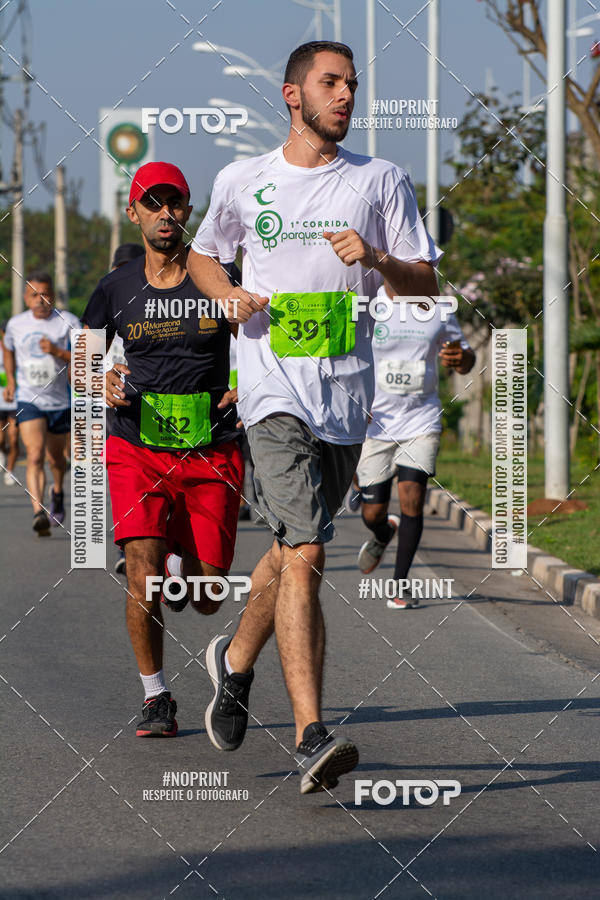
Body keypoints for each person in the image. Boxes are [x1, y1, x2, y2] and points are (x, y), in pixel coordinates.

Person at [187, 41, 441, 793]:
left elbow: (424, 283)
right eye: (331, 83)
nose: (346, 96)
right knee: (306, 551)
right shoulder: (244, 179)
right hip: (270, 389)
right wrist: (225, 295)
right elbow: (206, 255)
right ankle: (310, 733)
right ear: (292, 95)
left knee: (292, 551)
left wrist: (379, 259)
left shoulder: (380, 180)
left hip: (345, 400)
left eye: (353, 85)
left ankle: (233, 663)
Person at [82, 161, 243, 738]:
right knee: (142, 576)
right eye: (152, 204)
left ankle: (184, 567)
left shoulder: (219, 277)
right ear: (134, 213)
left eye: (173, 202)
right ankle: (157, 697)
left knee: (207, 595)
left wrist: (246, 384)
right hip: (137, 445)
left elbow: (259, 340)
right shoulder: (117, 286)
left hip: (212, 448)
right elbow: (83, 354)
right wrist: (96, 379)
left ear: (189, 210)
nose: (164, 214)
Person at [356, 284, 475, 608]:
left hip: (421, 418)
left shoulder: (438, 308)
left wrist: (461, 357)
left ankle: (399, 585)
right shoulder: (367, 302)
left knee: (412, 497)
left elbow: (465, 358)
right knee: (373, 511)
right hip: (375, 421)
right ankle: (382, 532)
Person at [3, 275, 80, 534]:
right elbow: (8, 350)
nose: (40, 300)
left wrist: (58, 353)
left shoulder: (68, 321)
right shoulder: (16, 324)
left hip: (60, 400)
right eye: (34, 295)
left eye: (45, 294)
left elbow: (88, 354)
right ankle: (39, 511)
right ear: (26, 298)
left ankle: (57, 491)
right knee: (35, 454)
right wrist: (11, 380)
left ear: (53, 297)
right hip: (29, 398)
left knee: (56, 458)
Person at [105, 242, 145, 576]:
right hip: (116, 404)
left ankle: (170, 551)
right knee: (126, 483)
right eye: (120, 269)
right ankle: (127, 548)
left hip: (157, 403)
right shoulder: (107, 300)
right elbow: (84, 353)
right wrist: (97, 378)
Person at [0, 323, 19, 485]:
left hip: (17, 400)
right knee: (0, 439)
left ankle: (10, 470)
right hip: (0, 401)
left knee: (13, 439)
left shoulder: (20, 349)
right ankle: (2, 452)